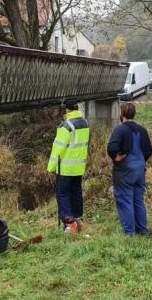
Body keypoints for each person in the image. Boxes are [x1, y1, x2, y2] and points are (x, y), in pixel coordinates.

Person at [107, 102, 152, 235]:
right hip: (139, 170)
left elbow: (112, 148)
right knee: (138, 200)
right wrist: (141, 161)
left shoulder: (120, 130)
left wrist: (116, 158)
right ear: (134, 114)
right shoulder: (142, 130)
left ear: (121, 115)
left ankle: (129, 233)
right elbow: (149, 150)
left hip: (125, 171)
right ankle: (143, 231)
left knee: (125, 200)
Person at [47, 97, 90, 233]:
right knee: (76, 192)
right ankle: (77, 218)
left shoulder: (66, 127)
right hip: (79, 167)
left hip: (65, 168)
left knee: (63, 194)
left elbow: (57, 149)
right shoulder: (85, 123)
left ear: (66, 110)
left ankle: (70, 223)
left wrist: (51, 167)